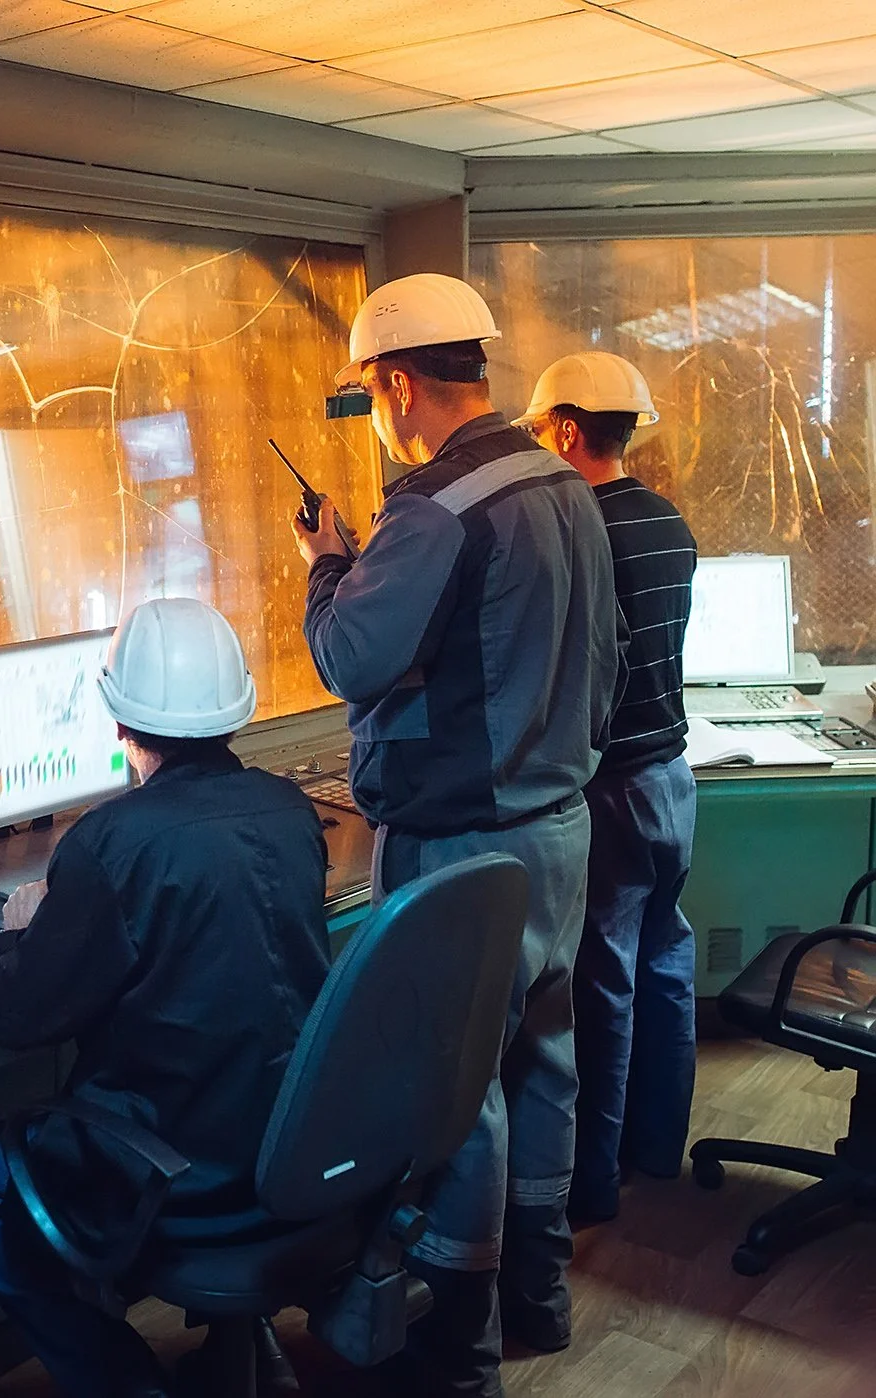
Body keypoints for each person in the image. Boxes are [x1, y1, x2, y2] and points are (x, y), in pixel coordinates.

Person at [294, 273, 626, 1397]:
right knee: (543, 1062)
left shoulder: (434, 504)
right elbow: (607, 661)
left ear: (395, 383)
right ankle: (539, 1296)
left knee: (457, 1093)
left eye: (372, 392)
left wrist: (327, 565)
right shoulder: (559, 482)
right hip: (561, 830)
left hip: (462, 847)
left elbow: (349, 657)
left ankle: (459, 1352)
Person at [0, 597, 329, 1398]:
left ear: (118, 726)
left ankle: (122, 1381)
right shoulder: (291, 812)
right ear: (236, 713)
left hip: (178, 1181)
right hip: (294, 1153)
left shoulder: (111, 845)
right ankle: (242, 1347)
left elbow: (17, 1016)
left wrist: (14, 935)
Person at [515, 352, 698, 1225]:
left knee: (605, 980)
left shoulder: (579, 532)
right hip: (674, 778)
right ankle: (659, 1148)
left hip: (615, 787)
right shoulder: (669, 522)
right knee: (667, 957)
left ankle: (592, 1185)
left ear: (566, 430)